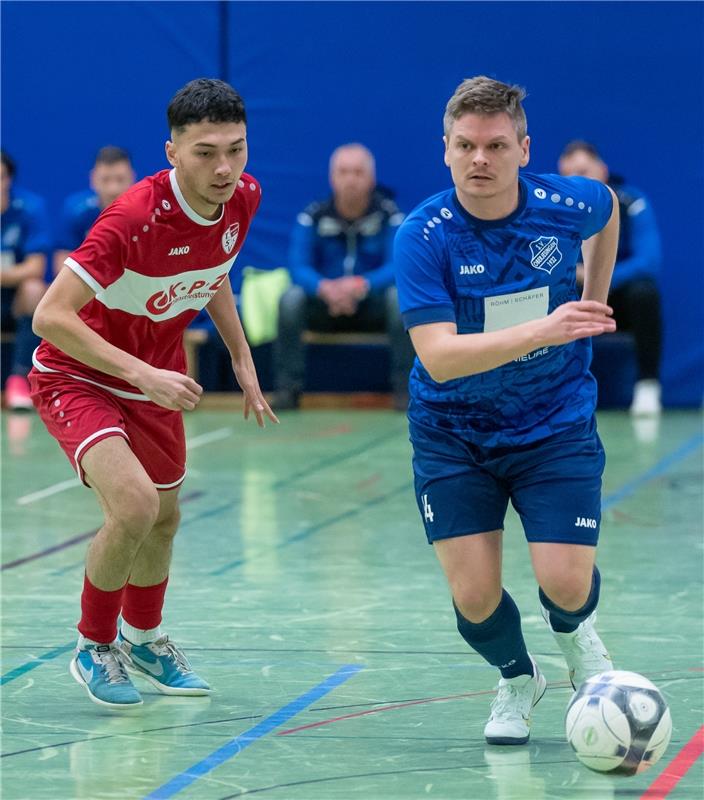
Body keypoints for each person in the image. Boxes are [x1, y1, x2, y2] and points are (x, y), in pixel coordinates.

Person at [29, 78, 278, 710]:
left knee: (165, 517)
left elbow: (212, 270)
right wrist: (140, 375)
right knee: (136, 506)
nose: (224, 168)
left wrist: (242, 357)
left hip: (155, 379)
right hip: (78, 372)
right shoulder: (133, 218)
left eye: (236, 149)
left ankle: (144, 639)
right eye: (205, 153)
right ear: (172, 153)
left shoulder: (243, 197)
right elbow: (49, 315)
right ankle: (92, 646)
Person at [393, 76, 618, 745]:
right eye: (465, 145)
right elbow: (438, 356)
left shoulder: (560, 203)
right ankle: (519, 678)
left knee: (566, 585)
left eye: (495, 145)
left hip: (554, 422)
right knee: (474, 598)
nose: (479, 160)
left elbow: (607, 210)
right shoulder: (423, 235)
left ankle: (576, 634)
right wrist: (545, 329)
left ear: (525, 148)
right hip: (453, 433)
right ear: (445, 150)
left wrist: (593, 300)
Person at [273, 143, 415, 410]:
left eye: (358, 172)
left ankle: (406, 392)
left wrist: (362, 285)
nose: (350, 179)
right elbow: (297, 267)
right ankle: (287, 390)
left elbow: (399, 267)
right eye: (344, 172)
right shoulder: (312, 216)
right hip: (324, 306)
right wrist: (324, 288)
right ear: (332, 178)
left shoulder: (391, 216)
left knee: (399, 299)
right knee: (290, 299)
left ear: (371, 178)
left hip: (372, 308)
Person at [558, 140, 664, 416]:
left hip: (619, 294)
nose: (578, 180)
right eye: (570, 175)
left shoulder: (631, 201)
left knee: (645, 293)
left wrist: (598, 277)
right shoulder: (553, 208)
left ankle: (647, 386)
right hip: (573, 294)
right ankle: (554, 392)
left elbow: (649, 261)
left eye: (584, 170)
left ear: (602, 170)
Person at [1, 150, 51, 409]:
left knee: (34, 290)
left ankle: (20, 380)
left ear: (8, 180)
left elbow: (36, 266)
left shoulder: (30, 209)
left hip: (13, 302)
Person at [53, 146, 136, 277]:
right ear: (93, 179)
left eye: (120, 179)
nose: (113, 189)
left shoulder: (147, 211)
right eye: (105, 180)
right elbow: (61, 264)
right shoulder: (75, 210)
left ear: (132, 178)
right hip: (90, 285)